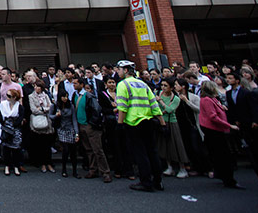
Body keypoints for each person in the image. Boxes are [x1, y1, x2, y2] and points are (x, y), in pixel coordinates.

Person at [115, 60, 165, 192]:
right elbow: (153, 103)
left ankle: (146, 182)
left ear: (125, 70)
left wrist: (120, 124)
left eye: (119, 69)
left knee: (140, 154)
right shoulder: (143, 84)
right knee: (152, 152)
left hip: (133, 122)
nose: (117, 72)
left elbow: (122, 107)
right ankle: (158, 182)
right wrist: (162, 122)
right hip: (148, 120)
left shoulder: (122, 84)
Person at [199, 81, 243, 189]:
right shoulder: (206, 100)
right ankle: (229, 180)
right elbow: (212, 117)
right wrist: (229, 125)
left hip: (218, 130)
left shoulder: (213, 99)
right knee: (223, 156)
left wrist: (221, 108)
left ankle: (222, 176)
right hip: (213, 131)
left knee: (221, 155)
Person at [73, 77, 112, 183]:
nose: (74, 85)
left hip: (90, 126)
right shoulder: (75, 96)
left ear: (81, 84)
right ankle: (93, 169)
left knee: (98, 150)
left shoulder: (89, 95)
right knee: (89, 150)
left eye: (76, 83)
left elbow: (96, 110)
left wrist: (92, 123)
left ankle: (105, 172)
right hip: (81, 125)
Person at [174, 77, 208, 176]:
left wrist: (187, 101)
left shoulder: (193, 97)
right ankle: (196, 167)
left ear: (183, 86)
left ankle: (206, 168)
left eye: (177, 85)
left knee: (197, 147)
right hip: (182, 125)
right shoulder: (176, 97)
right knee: (188, 147)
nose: (175, 87)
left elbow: (199, 110)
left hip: (193, 125)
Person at [155, 78, 189, 179]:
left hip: (171, 122)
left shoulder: (176, 98)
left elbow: (170, 110)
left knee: (175, 144)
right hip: (161, 121)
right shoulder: (159, 93)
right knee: (164, 145)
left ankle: (182, 168)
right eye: (162, 85)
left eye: (165, 86)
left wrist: (160, 101)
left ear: (171, 87)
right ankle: (169, 167)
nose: (163, 88)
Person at [50, 91, 80, 178]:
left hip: (70, 128)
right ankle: (64, 169)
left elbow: (74, 119)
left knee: (73, 151)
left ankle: (75, 171)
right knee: (65, 150)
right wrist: (56, 115)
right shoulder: (55, 106)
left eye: (67, 96)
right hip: (61, 129)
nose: (65, 98)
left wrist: (77, 133)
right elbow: (50, 116)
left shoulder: (71, 106)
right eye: (64, 97)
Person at [28, 80, 54, 173]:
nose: (36, 88)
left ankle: (49, 163)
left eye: (38, 86)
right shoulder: (31, 96)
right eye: (35, 86)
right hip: (37, 122)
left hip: (47, 122)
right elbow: (33, 110)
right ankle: (43, 164)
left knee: (47, 144)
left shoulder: (46, 95)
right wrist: (44, 109)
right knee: (40, 144)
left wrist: (42, 109)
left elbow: (50, 107)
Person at [0, 89, 24, 176]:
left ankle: (16, 166)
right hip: (6, 128)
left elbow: (20, 118)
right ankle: (7, 166)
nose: (7, 97)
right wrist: (5, 125)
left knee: (16, 149)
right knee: (6, 148)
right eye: (7, 95)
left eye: (9, 96)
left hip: (16, 129)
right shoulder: (3, 105)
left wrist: (14, 126)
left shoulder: (19, 106)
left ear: (15, 97)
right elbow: (0, 116)